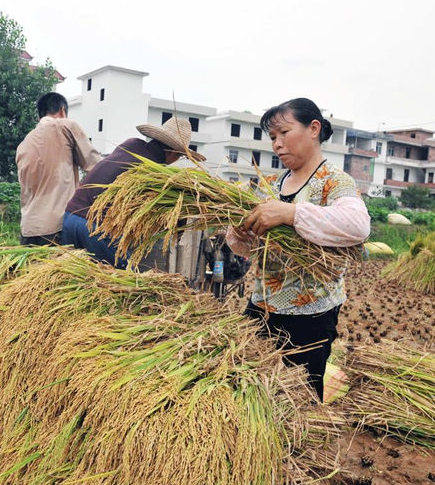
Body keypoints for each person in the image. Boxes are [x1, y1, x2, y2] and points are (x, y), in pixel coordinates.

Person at [226, 98, 370, 401]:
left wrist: (290, 214)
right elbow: (244, 247)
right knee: (248, 392)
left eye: (284, 133)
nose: (277, 144)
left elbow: (358, 225)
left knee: (298, 400)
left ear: (313, 129)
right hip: (261, 307)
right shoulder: (269, 185)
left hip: (310, 318)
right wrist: (239, 232)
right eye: (272, 137)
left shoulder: (334, 182)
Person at [62, 117, 205, 268]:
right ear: (172, 153)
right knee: (126, 275)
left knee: (77, 274)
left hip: (70, 217)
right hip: (94, 226)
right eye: (179, 156)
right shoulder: (155, 171)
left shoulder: (131, 144)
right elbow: (172, 206)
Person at [15, 92, 101, 246]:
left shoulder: (24, 143)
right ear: (62, 111)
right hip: (56, 228)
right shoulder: (65, 126)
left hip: (28, 229)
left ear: (39, 117)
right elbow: (96, 166)